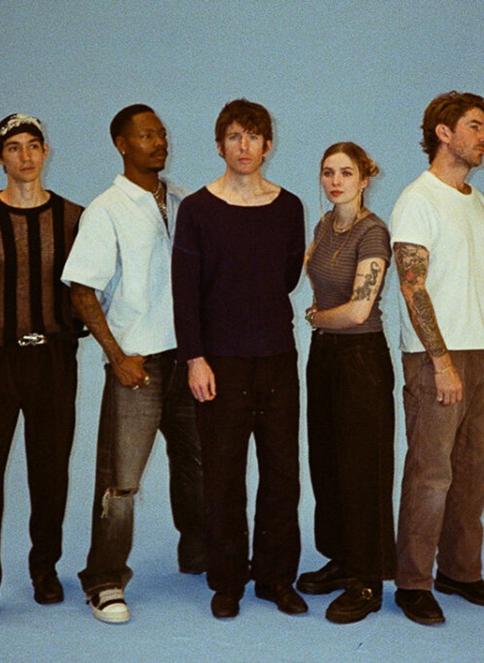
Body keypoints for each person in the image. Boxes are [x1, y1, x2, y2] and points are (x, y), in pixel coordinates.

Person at [61, 104, 206, 624]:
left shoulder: (185, 201)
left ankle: (200, 554)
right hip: (138, 365)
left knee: (198, 466)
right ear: (121, 145)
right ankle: (104, 580)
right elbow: (82, 289)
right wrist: (117, 356)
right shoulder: (107, 209)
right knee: (121, 481)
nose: (159, 142)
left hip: (188, 358)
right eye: (146, 135)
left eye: (161, 133)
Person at [0, 113, 84, 634]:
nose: (25, 156)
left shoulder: (73, 219)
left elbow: (88, 289)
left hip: (52, 361)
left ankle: (45, 569)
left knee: (50, 471)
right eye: (14, 148)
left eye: (33, 146)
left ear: (46, 152)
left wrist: (64, 333)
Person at [171, 98, 307, 620]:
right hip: (220, 363)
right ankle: (227, 580)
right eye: (233, 137)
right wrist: (195, 359)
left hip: (276, 359)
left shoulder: (289, 207)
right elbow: (185, 292)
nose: (243, 146)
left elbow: (288, 277)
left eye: (252, 137)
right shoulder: (198, 210)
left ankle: (275, 578)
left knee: (282, 475)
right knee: (223, 476)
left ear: (268, 145)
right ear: (219, 145)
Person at [389, 91, 484, 626]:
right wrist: (440, 362)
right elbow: (411, 285)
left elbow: (480, 281)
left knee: (475, 472)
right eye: (475, 126)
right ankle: (413, 582)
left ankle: (460, 571)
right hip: (435, 358)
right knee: (431, 474)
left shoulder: (477, 201)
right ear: (443, 133)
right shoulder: (417, 200)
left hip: (482, 353)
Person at [297, 142, 396, 624]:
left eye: (346, 173)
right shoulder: (323, 226)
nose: (335, 182)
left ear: (364, 178)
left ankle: (367, 579)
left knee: (361, 469)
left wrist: (315, 317)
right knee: (328, 464)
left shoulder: (373, 233)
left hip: (361, 360)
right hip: (324, 356)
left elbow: (358, 310)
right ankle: (342, 559)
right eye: (328, 173)